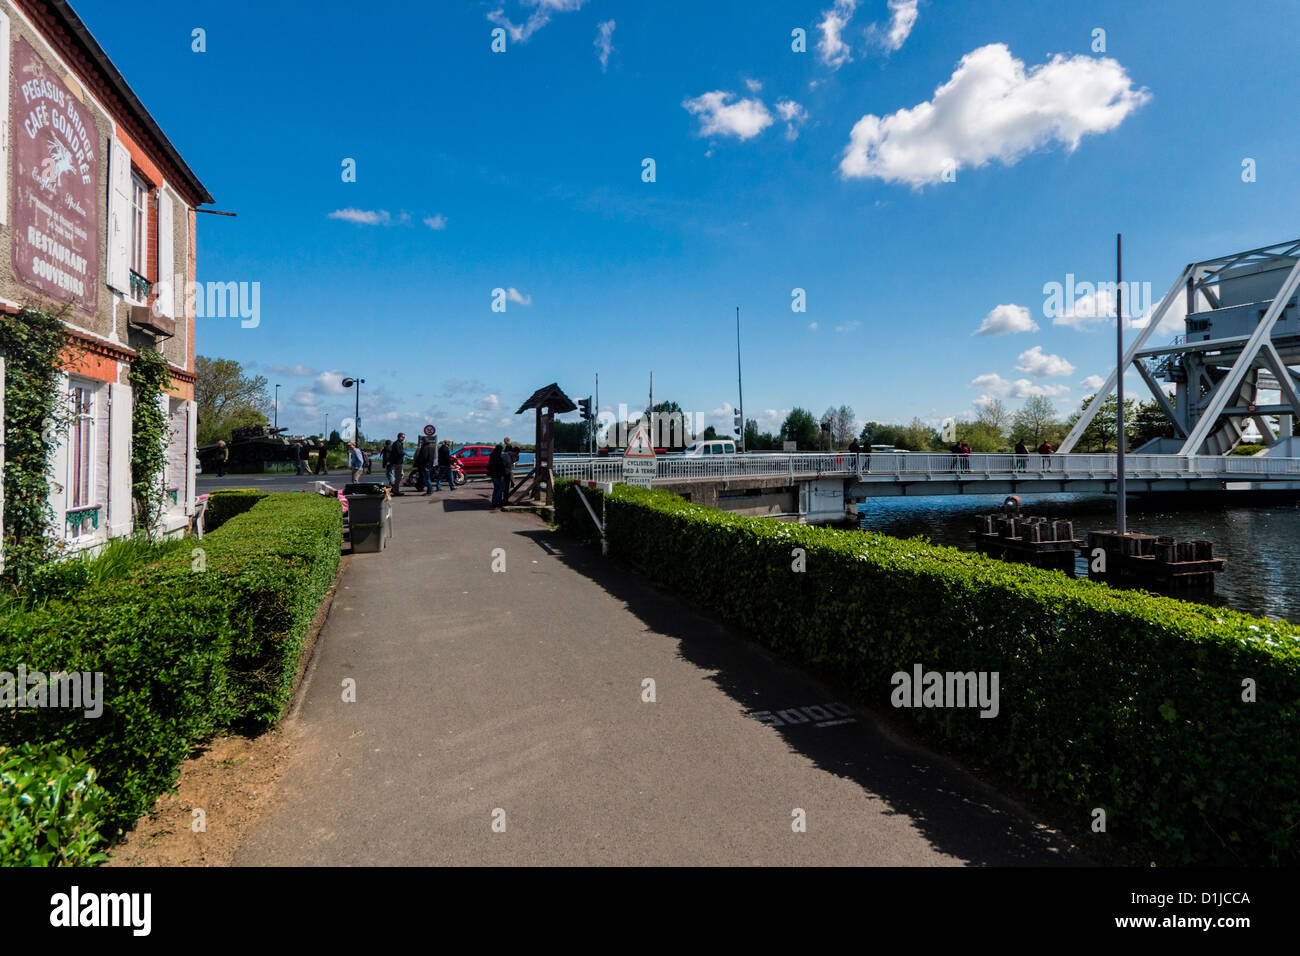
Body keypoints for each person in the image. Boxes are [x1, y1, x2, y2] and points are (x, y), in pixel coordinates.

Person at [487, 443, 505, 508]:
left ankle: (494, 501)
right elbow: (500, 467)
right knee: (502, 487)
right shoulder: (498, 457)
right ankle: (496, 501)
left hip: (493, 475)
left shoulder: (492, 456)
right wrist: (502, 475)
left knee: (496, 488)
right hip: (498, 475)